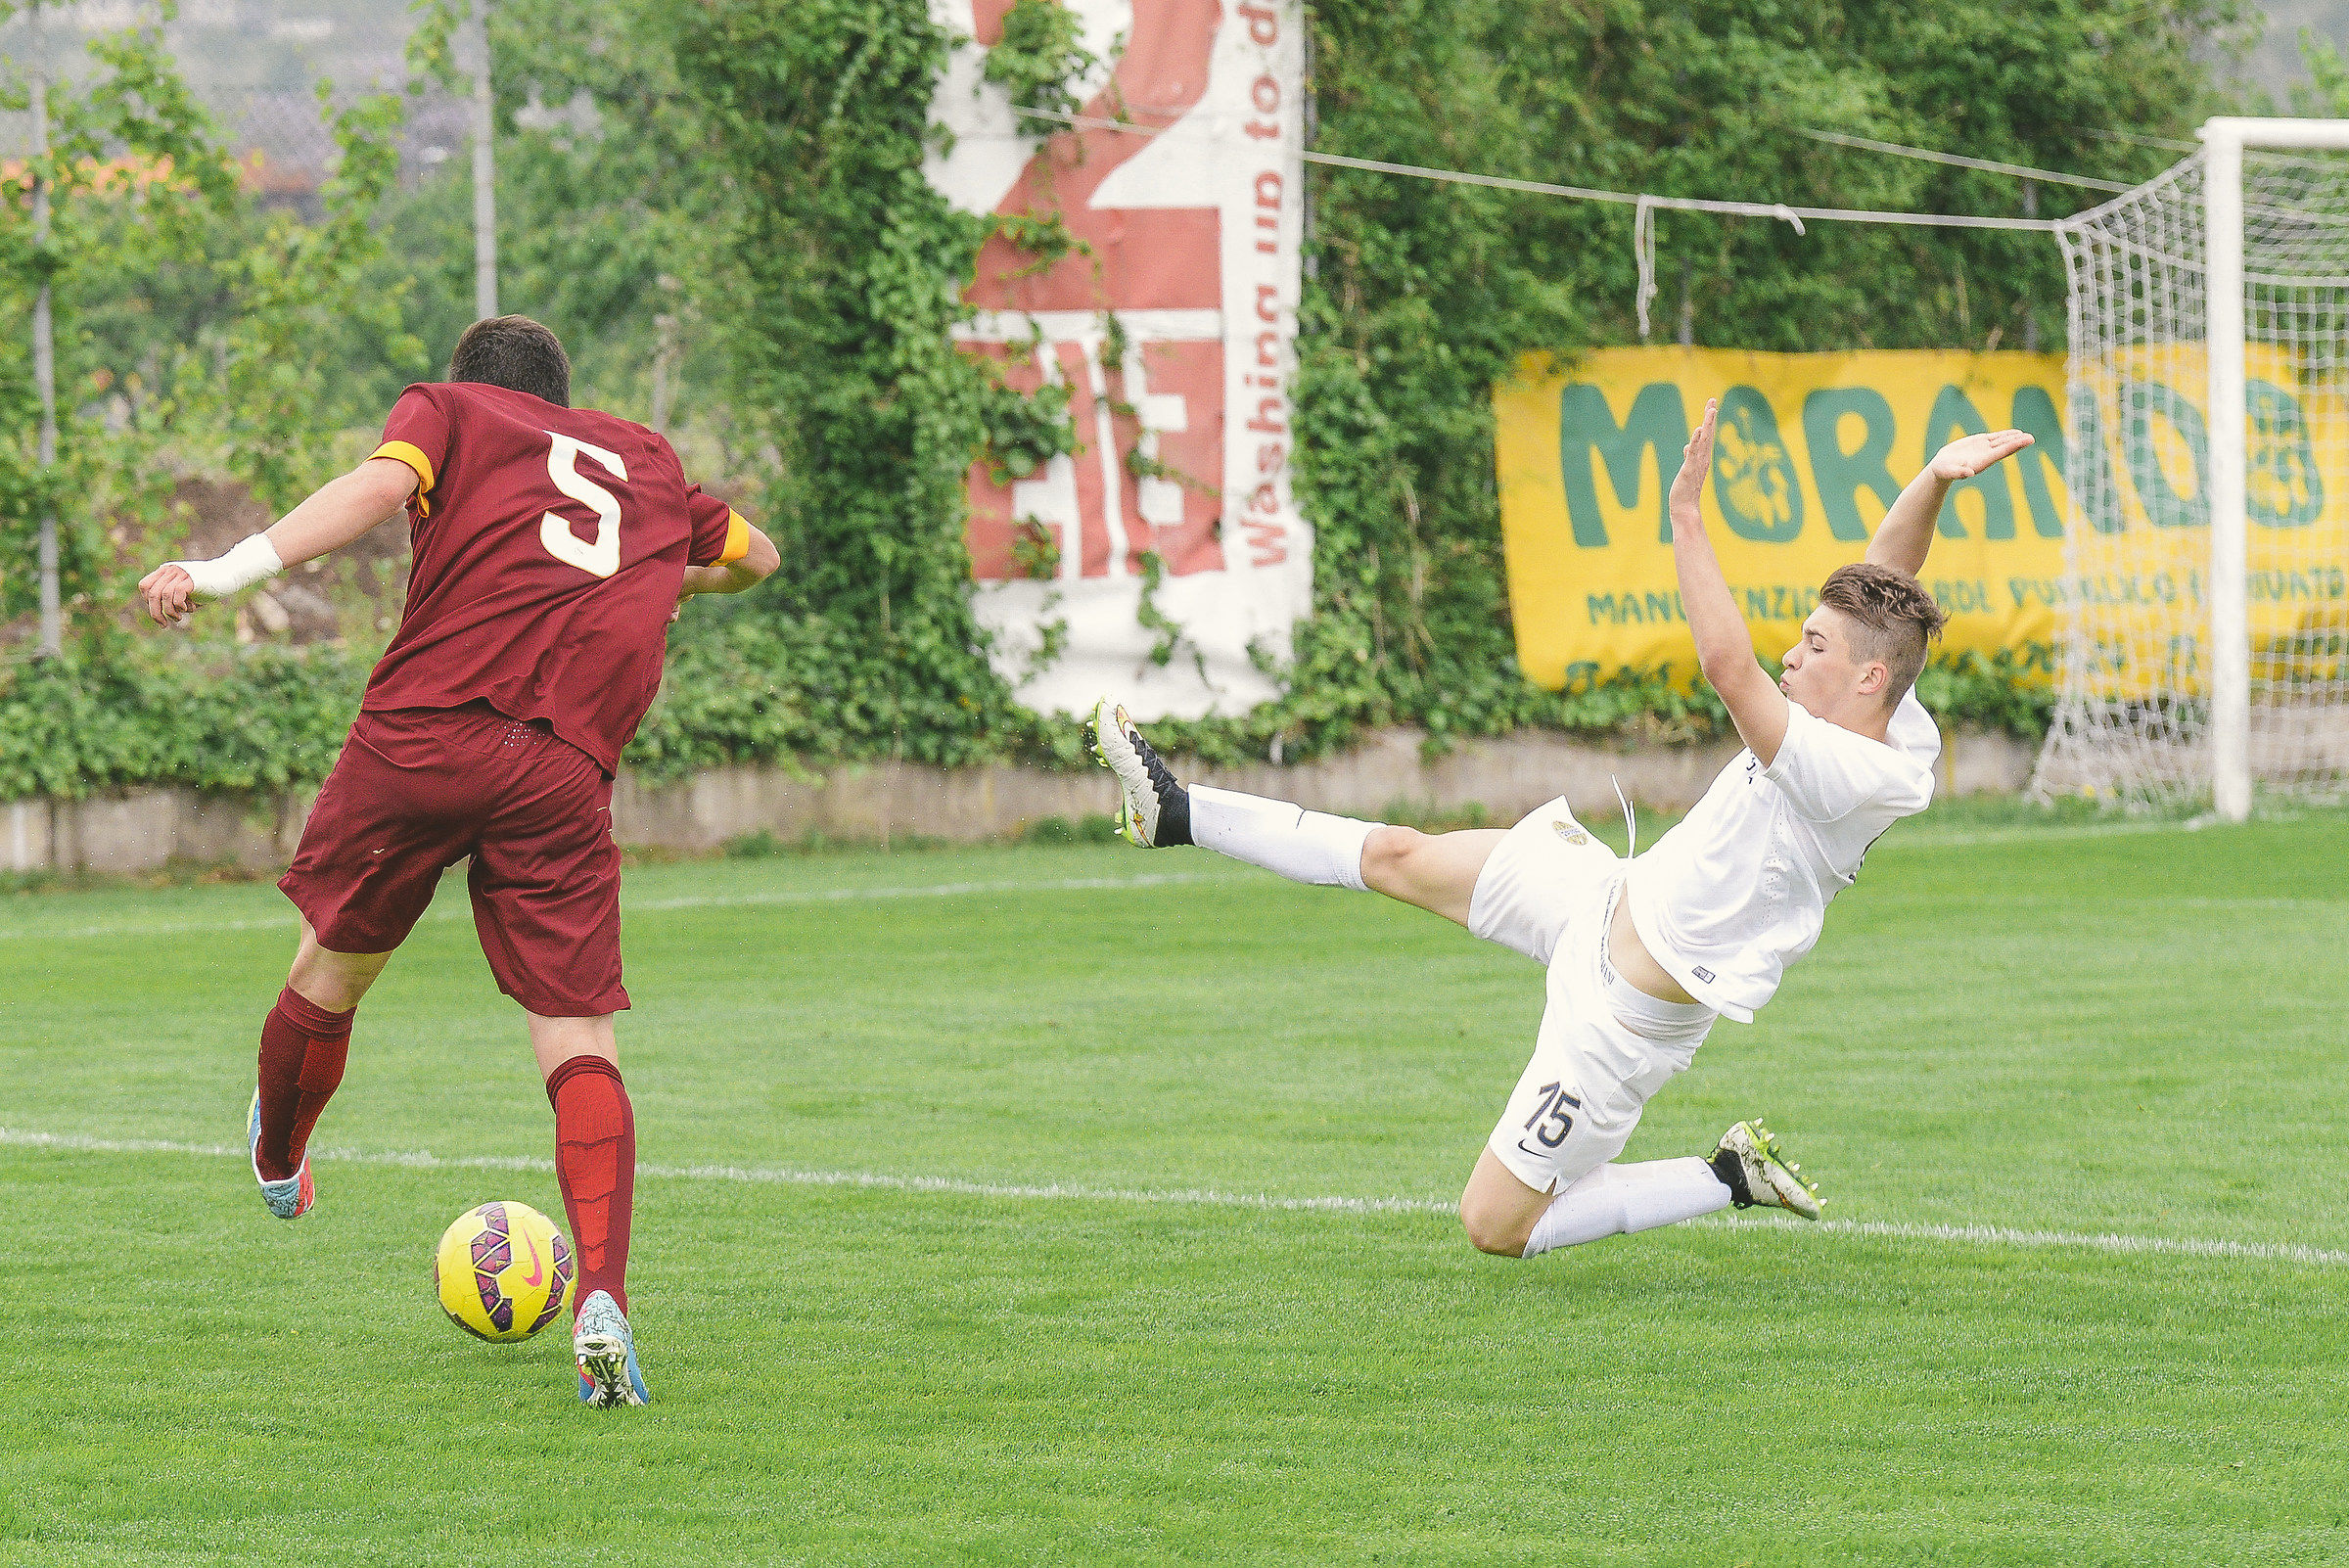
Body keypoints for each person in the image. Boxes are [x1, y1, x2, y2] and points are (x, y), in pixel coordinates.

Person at [1091, 399, 2034, 1260]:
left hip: (1621, 1019)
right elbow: (1888, 582)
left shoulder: (1859, 773)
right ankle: (1177, 813)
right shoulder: (1888, 706)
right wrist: (1934, 479)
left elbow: (1726, 664)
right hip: (1599, 896)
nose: (1796, 651)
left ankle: (1724, 1177)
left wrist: (1687, 518)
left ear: (1869, 680)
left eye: (1815, 646)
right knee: (1395, 854)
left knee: (1495, 1226)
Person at [138, 315, 779, 1405]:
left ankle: (281, 1153)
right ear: (563, 395)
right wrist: (662, 572)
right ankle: (602, 1295)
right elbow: (759, 557)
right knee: (578, 1034)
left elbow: (377, 487)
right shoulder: (647, 463)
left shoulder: (448, 412)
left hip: (424, 734)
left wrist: (226, 569)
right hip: (562, 766)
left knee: (332, 972)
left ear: (469, 386)